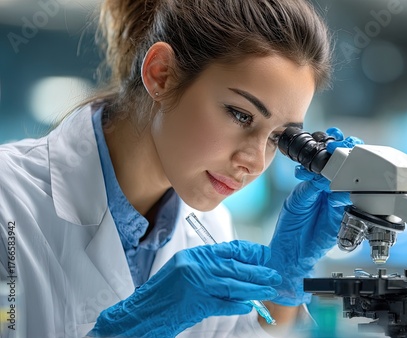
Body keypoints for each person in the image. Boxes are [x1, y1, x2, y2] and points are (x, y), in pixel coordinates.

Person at [0, 0, 361, 337]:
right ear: (162, 74)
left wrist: (284, 278)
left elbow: (243, 331)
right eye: (240, 115)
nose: (254, 162)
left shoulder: (210, 228)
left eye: (278, 139)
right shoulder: (8, 203)